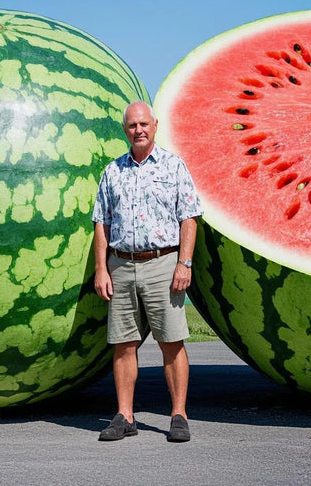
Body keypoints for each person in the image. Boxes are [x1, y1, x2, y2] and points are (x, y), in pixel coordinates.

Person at [92, 100, 202, 442]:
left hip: (163, 263)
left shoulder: (173, 166)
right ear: (125, 130)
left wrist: (184, 263)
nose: (138, 130)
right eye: (131, 126)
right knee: (123, 345)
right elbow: (101, 222)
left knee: (171, 341)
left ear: (154, 125)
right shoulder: (113, 171)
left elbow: (190, 217)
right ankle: (125, 416)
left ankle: (179, 415)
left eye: (143, 124)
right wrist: (101, 268)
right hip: (121, 265)